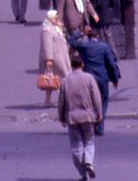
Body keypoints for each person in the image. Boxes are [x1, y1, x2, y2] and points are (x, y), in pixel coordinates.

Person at [69, 26, 121, 136]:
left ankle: (90, 125)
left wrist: (79, 32)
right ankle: (100, 125)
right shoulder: (104, 47)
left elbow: (71, 41)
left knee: (89, 102)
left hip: (88, 78)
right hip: (102, 78)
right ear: (98, 36)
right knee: (103, 101)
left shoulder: (83, 46)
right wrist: (115, 79)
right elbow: (111, 64)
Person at [58, 52, 103, 181]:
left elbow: (61, 101)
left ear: (71, 66)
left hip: (72, 117)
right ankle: (89, 162)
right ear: (82, 65)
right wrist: (99, 112)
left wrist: (61, 116)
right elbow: (96, 96)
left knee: (76, 146)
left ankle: (83, 174)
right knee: (89, 141)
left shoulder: (65, 81)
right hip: (87, 116)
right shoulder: (89, 78)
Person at [39, 11, 70, 106]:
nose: (58, 19)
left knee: (52, 79)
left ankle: (47, 101)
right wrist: (49, 58)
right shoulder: (47, 30)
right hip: (55, 58)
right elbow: (47, 45)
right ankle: (66, 99)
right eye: (56, 18)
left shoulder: (56, 28)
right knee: (66, 76)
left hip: (61, 55)